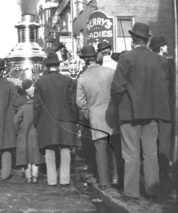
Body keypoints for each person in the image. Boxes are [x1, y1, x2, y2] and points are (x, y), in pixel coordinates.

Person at [111, 23, 171, 201]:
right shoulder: (160, 60)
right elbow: (165, 86)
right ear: (146, 40)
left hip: (130, 113)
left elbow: (117, 87)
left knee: (131, 153)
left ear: (132, 40)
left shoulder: (126, 58)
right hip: (152, 113)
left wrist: (119, 104)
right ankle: (153, 189)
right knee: (151, 153)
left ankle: (131, 192)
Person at [76, 45, 122, 190]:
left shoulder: (82, 78)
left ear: (84, 61)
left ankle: (104, 182)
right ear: (96, 58)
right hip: (113, 114)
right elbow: (118, 91)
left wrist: (89, 114)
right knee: (115, 148)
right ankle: (116, 177)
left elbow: (80, 102)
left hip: (95, 117)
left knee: (100, 149)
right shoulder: (110, 72)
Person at [34, 52, 79, 187]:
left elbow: (37, 106)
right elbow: (72, 103)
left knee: (49, 150)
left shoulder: (40, 82)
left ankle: (52, 180)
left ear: (47, 67)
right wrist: (75, 121)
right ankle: (65, 179)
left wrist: (37, 122)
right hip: (66, 121)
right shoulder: (68, 81)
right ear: (58, 66)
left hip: (47, 122)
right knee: (65, 149)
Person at [149, 35, 173, 180]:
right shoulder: (165, 62)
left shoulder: (148, 61)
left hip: (149, 107)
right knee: (164, 140)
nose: (167, 47)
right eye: (165, 45)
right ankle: (164, 170)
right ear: (161, 47)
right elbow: (170, 85)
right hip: (164, 107)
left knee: (150, 140)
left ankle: (153, 170)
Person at [14, 80, 45, 184]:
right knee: (36, 157)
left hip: (25, 136)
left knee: (26, 158)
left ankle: (28, 177)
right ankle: (35, 176)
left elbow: (15, 122)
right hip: (36, 135)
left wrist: (17, 132)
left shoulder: (23, 107)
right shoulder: (41, 108)